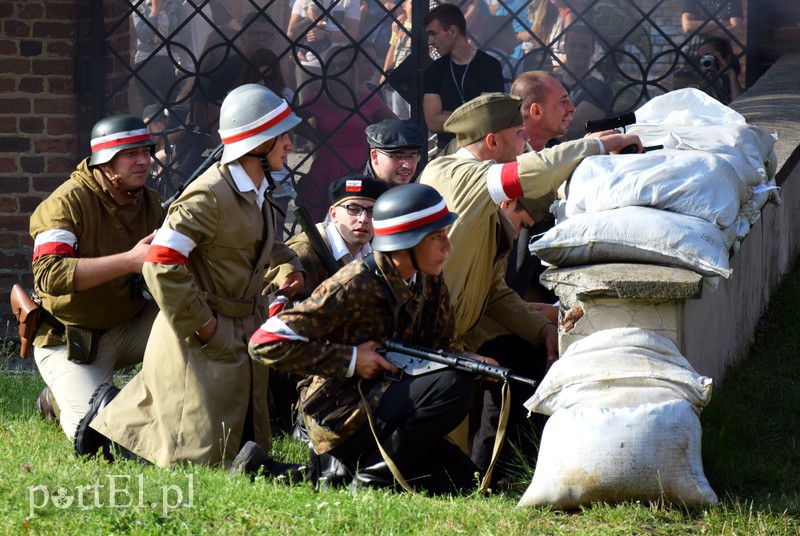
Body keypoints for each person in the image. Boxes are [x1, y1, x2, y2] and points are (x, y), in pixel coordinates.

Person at [78, 85, 307, 476]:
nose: (289, 143)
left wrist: (290, 266)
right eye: (281, 135)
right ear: (257, 142)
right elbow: (160, 262)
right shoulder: (208, 196)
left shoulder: (258, 190)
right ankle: (109, 423)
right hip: (205, 336)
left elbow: (256, 243)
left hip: (241, 329)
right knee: (199, 457)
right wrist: (204, 326)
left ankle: (117, 418)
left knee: (243, 444)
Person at [418, 93, 642, 478]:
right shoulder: (452, 172)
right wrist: (600, 145)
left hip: (449, 345)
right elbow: (530, 171)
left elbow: (493, 294)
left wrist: (542, 329)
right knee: (429, 462)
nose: (525, 143)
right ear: (492, 141)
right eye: (518, 133)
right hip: (420, 346)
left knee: (446, 463)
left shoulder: (481, 196)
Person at [248, 183, 499, 494]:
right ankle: (370, 481)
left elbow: (441, 344)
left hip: (391, 404)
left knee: (462, 482)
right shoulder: (353, 283)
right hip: (342, 412)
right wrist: (352, 361)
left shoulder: (430, 278)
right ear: (404, 243)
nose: (448, 246)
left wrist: (468, 359)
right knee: (453, 385)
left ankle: (300, 472)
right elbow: (265, 341)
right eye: (437, 238)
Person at [29, 114, 164, 439]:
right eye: (131, 154)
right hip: (72, 339)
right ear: (105, 161)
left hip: (131, 325)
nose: (144, 161)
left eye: (146, 152)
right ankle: (56, 399)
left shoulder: (150, 202)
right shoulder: (65, 203)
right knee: (97, 433)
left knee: (195, 323)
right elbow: (49, 274)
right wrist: (130, 261)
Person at [294, 45, 396, 222]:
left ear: (352, 67)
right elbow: (294, 121)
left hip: (360, 167)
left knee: (358, 221)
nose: (337, 70)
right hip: (326, 168)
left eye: (342, 64)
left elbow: (395, 126)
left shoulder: (367, 97)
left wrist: (376, 143)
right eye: (332, 66)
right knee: (321, 227)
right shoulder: (320, 97)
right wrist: (318, 138)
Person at [268, 175, 388, 302]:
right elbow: (282, 311)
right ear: (333, 214)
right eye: (353, 209)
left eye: (372, 211)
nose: (363, 219)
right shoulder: (304, 253)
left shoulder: (376, 254)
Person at [422, 3, 504, 152]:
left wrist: (447, 115)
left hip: (483, 152)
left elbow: (487, 118)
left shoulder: (489, 66)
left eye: (433, 33)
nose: (430, 41)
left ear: (452, 31)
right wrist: (472, 116)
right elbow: (433, 122)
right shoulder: (434, 70)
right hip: (447, 153)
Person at [557, 24, 613, 140]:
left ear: (592, 50)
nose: (577, 51)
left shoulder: (600, 90)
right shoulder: (553, 81)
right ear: (565, 48)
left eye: (584, 47)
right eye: (572, 45)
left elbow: (572, 125)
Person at [511, 70, 575, 151]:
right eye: (562, 102)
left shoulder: (557, 149)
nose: (572, 108)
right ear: (537, 111)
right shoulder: (507, 157)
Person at [364, 118, 427, 187]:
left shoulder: (421, 191)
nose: (407, 165)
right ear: (375, 156)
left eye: (412, 156)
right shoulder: (359, 194)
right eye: (399, 156)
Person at [696, 36, 744, 104]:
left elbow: (740, 107)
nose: (705, 61)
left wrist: (731, 73)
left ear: (727, 58)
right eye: (701, 58)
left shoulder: (734, 88)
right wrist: (703, 88)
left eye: (709, 57)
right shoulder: (696, 85)